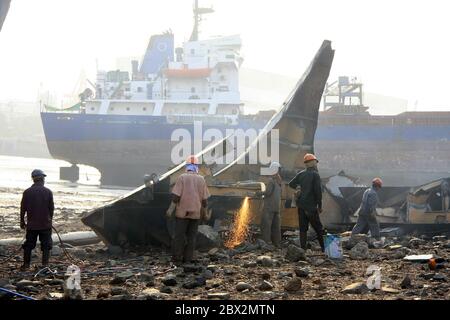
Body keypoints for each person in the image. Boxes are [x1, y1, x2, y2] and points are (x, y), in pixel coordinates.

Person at [168, 155, 210, 264]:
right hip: (195, 214)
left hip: (182, 214)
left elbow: (176, 197)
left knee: (179, 236)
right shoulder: (201, 179)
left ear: (187, 166)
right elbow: (205, 200)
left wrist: (170, 210)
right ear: (197, 166)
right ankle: (187, 259)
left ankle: (177, 259)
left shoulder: (182, 177)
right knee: (192, 238)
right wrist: (205, 214)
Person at [288, 153, 325, 252]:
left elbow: (291, 184)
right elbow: (318, 192)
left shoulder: (301, 174)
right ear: (312, 163)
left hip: (301, 206)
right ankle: (325, 248)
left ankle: (302, 250)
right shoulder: (315, 175)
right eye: (315, 162)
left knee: (303, 229)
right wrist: (320, 205)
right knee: (319, 229)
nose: (316, 164)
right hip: (311, 207)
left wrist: (298, 188)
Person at [20, 169, 54, 270]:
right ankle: (45, 265)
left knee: (28, 245)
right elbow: (51, 208)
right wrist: (49, 220)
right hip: (45, 224)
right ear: (42, 179)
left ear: (33, 179)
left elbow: (22, 208)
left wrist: (22, 221)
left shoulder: (27, 192)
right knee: (46, 245)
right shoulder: (48, 192)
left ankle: (26, 265)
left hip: (32, 225)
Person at [257, 161, 282, 247]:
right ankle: (277, 243)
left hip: (269, 207)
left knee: (266, 225)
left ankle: (266, 243)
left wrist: (259, 193)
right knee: (276, 227)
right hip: (277, 207)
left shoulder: (271, 181)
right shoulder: (279, 181)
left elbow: (268, 192)